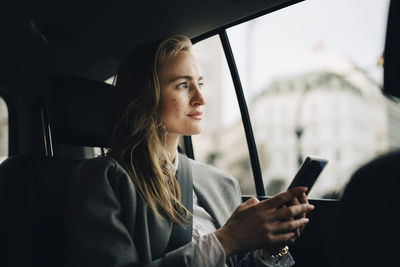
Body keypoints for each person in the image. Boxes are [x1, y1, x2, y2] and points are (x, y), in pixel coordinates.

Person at [64, 35, 314, 267]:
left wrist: (272, 249)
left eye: (200, 83)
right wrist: (225, 240)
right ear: (145, 95)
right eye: (183, 85)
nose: (200, 98)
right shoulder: (103, 179)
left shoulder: (222, 183)